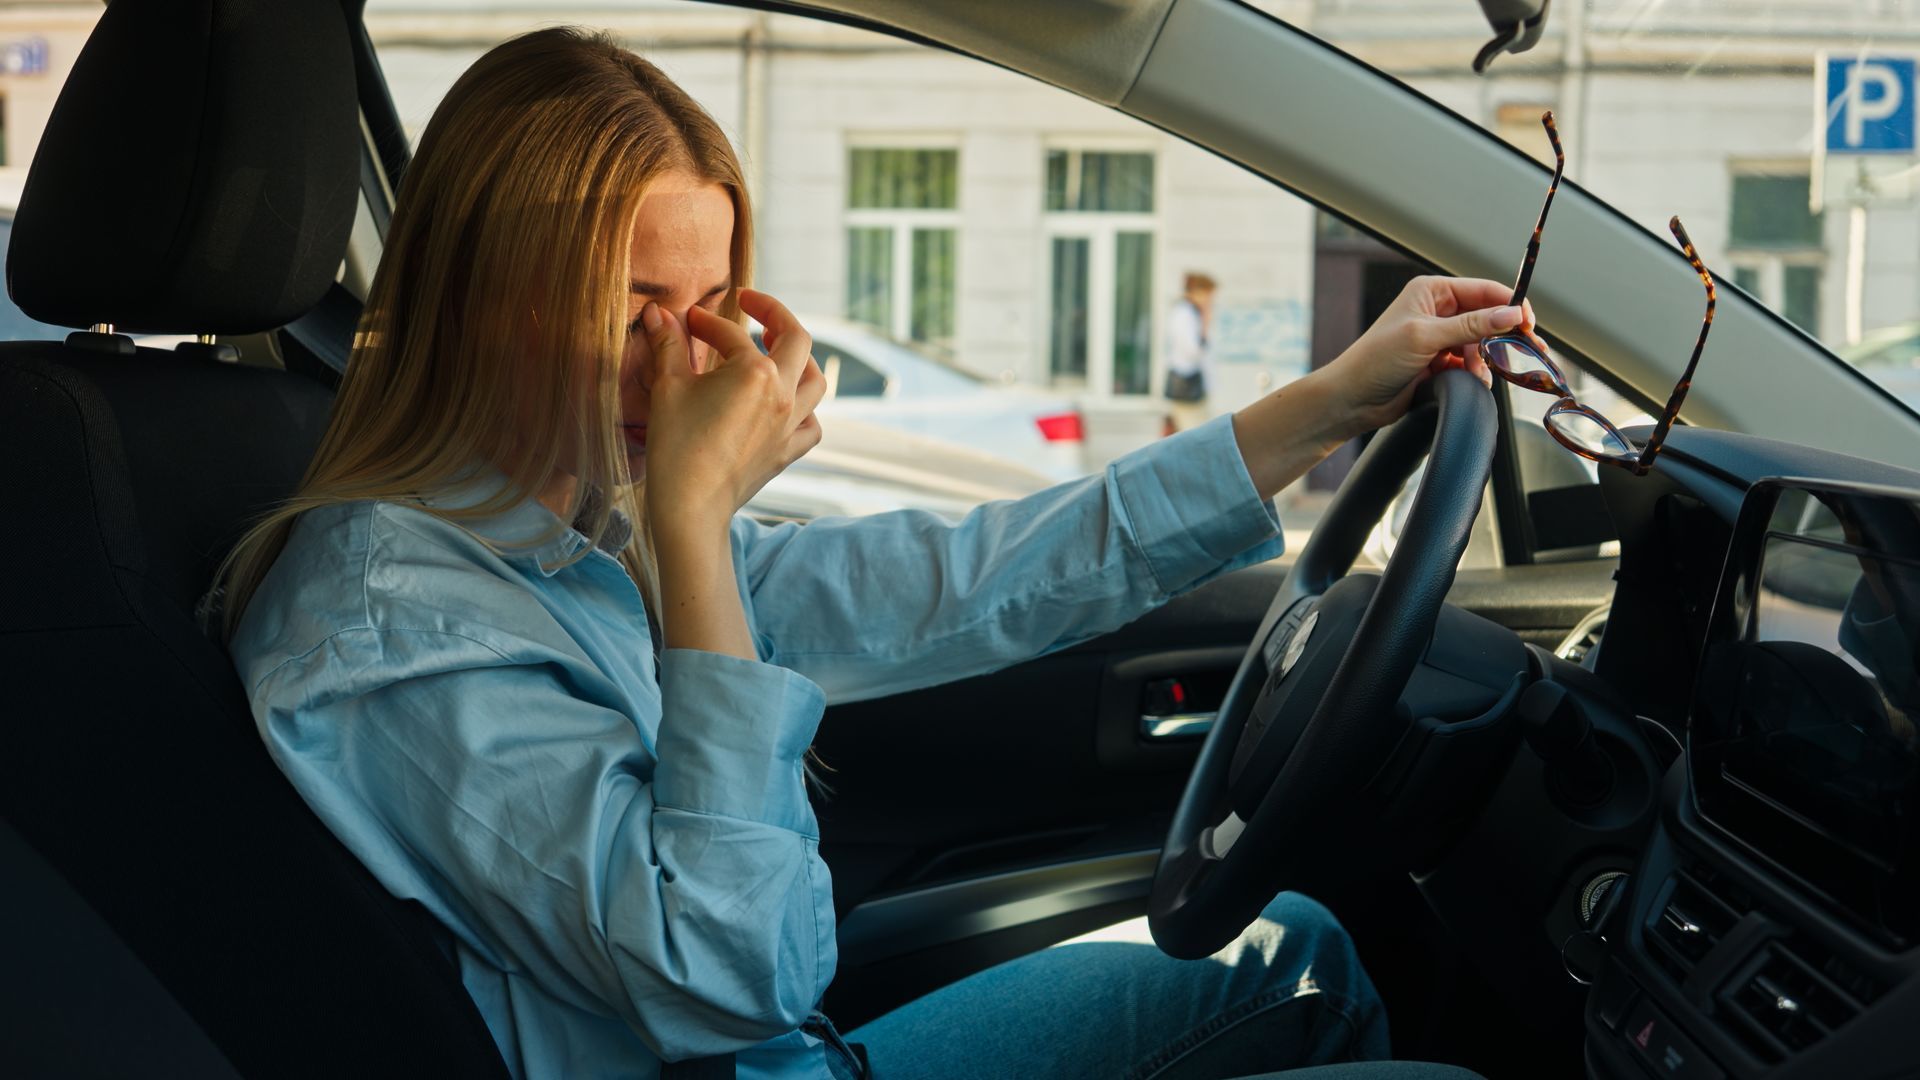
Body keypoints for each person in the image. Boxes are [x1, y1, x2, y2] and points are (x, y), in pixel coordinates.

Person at [212, 28, 1518, 1080]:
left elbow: (984, 573)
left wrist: (1332, 401)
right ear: (480, 297)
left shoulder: (569, 526)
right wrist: (692, 528)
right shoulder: (397, 628)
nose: (682, 364)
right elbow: (734, 981)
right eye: (629, 310)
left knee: (1296, 950)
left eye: (711, 306)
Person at [1164, 272, 1218, 432]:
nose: (1210, 301)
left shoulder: (1192, 314)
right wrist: (1206, 323)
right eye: (1208, 295)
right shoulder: (1184, 315)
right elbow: (1193, 351)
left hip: (1195, 387)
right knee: (1194, 434)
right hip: (1186, 387)